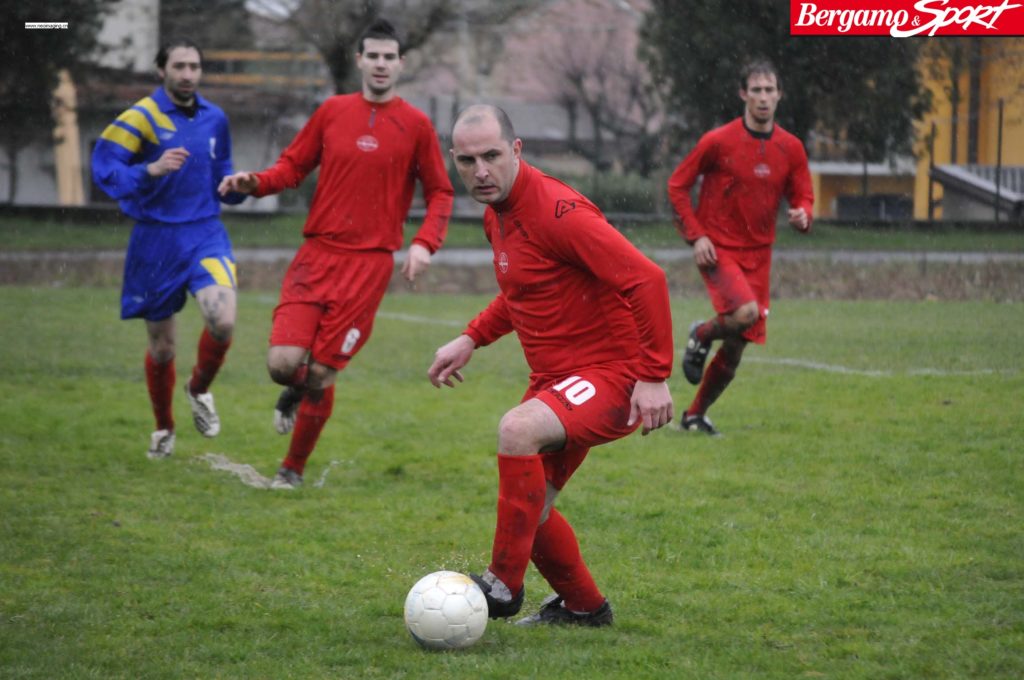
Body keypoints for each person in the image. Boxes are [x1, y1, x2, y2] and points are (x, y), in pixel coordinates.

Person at [428, 104, 674, 627]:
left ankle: (502, 585)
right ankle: (585, 608)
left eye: (492, 156)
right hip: (558, 380)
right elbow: (524, 290)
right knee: (529, 507)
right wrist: (472, 337)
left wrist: (653, 376)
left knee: (517, 430)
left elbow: (647, 279)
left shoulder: (560, 212)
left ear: (516, 149)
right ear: (454, 160)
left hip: (613, 374)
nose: (481, 171)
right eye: (468, 161)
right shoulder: (497, 215)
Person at [218, 19, 453, 490]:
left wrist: (424, 243)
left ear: (401, 64)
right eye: (374, 56)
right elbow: (291, 167)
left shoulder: (416, 125)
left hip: (368, 266)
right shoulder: (331, 111)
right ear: (360, 60)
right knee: (282, 366)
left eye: (390, 57)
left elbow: (441, 193)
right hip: (317, 256)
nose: (381, 64)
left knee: (323, 372)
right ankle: (294, 391)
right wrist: (254, 183)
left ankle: (291, 470)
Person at [92, 38, 246, 459]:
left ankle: (199, 389)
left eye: (194, 66)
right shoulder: (141, 117)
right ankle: (164, 428)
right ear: (162, 70)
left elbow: (223, 173)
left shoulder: (216, 118)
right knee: (162, 348)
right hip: (155, 240)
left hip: (205, 233)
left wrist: (238, 187)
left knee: (223, 320)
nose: (187, 74)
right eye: (179, 66)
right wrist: (150, 170)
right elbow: (104, 169)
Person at [667, 59, 814, 436]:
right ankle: (701, 334)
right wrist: (697, 236)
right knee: (746, 314)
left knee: (736, 346)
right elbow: (677, 186)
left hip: (760, 255)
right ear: (743, 94)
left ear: (779, 95)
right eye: (757, 90)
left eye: (770, 90)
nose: (763, 97)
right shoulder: (718, 141)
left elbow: (804, 197)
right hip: (718, 249)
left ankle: (694, 416)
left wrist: (803, 215)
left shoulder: (791, 148)